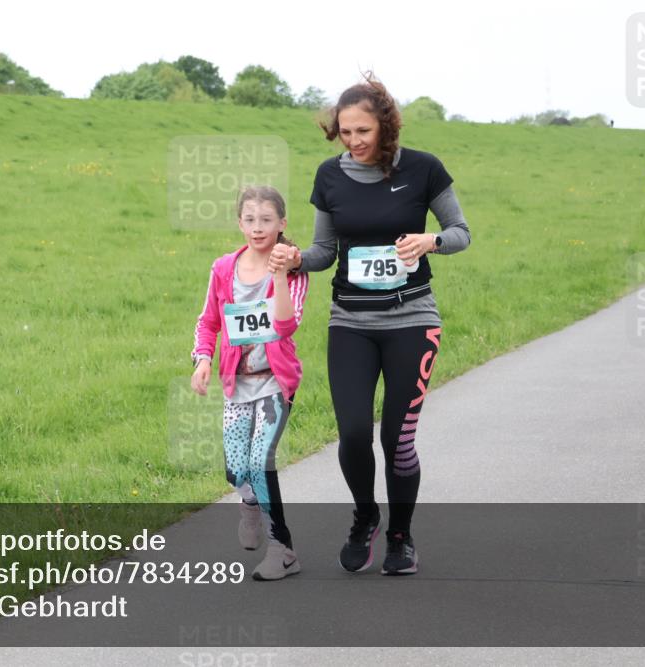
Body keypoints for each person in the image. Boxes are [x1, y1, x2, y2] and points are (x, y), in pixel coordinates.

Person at [271, 73, 471, 576]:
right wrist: (296, 259)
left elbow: (460, 232)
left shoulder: (423, 169)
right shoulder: (329, 176)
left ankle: (401, 537)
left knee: (397, 440)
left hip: (412, 319)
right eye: (345, 132)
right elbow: (323, 252)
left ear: (385, 126)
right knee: (355, 433)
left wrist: (430, 242)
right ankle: (365, 516)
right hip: (351, 323)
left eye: (363, 130)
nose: (354, 141)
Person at [191, 185, 309, 581]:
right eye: (250, 220)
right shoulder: (224, 268)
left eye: (266, 220)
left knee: (260, 463)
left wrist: (280, 274)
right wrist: (203, 360)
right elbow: (208, 322)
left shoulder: (295, 269)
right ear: (239, 223)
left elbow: (286, 325)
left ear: (282, 223)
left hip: (275, 382)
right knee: (236, 472)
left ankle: (282, 549)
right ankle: (250, 504)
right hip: (236, 385)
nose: (258, 228)